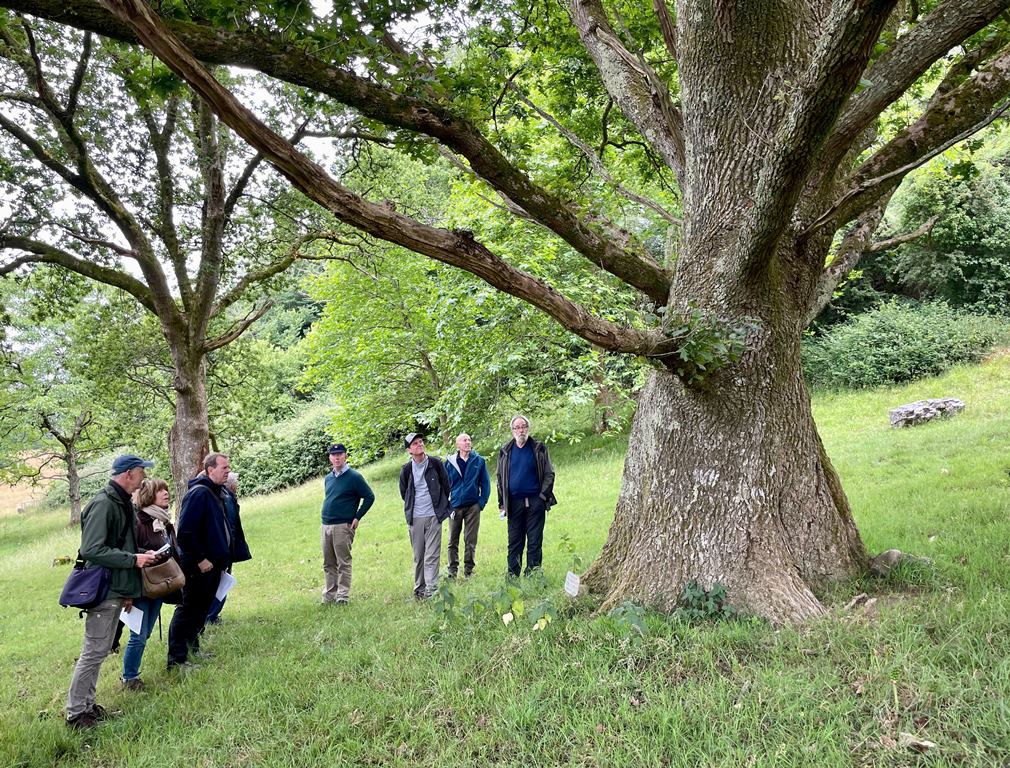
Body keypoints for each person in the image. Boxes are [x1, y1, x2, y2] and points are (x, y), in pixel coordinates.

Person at [65, 455, 159, 730]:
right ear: (129, 473)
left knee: (102, 649)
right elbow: (92, 550)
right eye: (142, 472)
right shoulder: (104, 503)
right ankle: (75, 715)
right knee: (93, 651)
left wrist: (142, 554)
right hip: (104, 588)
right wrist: (132, 560)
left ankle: (89, 708)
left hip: (118, 586)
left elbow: (122, 544)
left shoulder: (122, 502)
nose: (144, 478)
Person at [167, 452, 232, 670]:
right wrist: (201, 559)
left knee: (202, 610)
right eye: (224, 468)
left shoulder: (216, 492)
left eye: (228, 467)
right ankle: (176, 659)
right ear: (209, 469)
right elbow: (184, 532)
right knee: (188, 610)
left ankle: (192, 650)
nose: (228, 471)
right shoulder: (199, 493)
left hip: (213, 565)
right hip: (197, 567)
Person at [120, 477, 176, 691]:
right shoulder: (139, 522)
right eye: (160, 490)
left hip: (158, 584)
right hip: (141, 587)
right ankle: (129, 678)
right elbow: (130, 553)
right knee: (138, 634)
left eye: (166, 490)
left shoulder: (163, 521)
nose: (165, 493)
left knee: (146, 633)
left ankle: (132, 674)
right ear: (148, 496)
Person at [497, 415, 557, 578]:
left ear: (528, 428)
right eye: (517, 427)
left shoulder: (538, 448)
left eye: (523, 426)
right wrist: (502, 502)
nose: (520, 430)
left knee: (534, 541)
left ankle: (533, 574)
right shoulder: (505, 451)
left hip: (535, 502)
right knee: (514, 542)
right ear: (512, 431)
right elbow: (499, 478)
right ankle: (512, 575)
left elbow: (549, 474)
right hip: (514, 504)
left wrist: (542, 497)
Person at [319, 443, 375, 605]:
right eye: (334, 455)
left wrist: (357, 517)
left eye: (340, 454)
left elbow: (369, 497)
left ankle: (342, 596)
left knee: (343, 562)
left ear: (345, 456)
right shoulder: (328, 478)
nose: (337, 457)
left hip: (343, 526)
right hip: (326, 525)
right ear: (330, 458)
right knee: (328, 563)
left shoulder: (354, 477)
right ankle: (329, 595)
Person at [398, 432, 451, 599]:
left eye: (421, 442)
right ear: (409, 450)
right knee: (419, 555)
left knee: (432, 554)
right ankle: (419, 590)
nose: (419, 444)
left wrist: (439, 508)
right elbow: (404, 492)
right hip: (415, 517)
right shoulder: (406, 470)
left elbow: (446, 486)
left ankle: (432, 589)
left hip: (434, 515)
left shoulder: (435, 463)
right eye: (415, 443)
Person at [204, 471, 251, 624]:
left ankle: (212, 616)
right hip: (222, 550)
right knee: (219, 583)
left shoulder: (226, 497)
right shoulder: (226, 499)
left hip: (226, 549)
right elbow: (229, 524)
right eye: (236, 482)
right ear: (231, 485)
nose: (237, 485)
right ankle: (210, 617)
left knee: (222, 581)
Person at [444, 433, 491, 579]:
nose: (468, 442)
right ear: (457, 444)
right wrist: (447, 505)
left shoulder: (479, 461)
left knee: (470, 541)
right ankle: (452, 571)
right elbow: (443, 486)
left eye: (469, 440)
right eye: (464, 440)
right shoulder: (449, 463)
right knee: (452, 540)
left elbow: (486, 484)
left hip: (473, 507)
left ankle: (468, 572)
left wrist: (480, 504)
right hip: (455, 506)